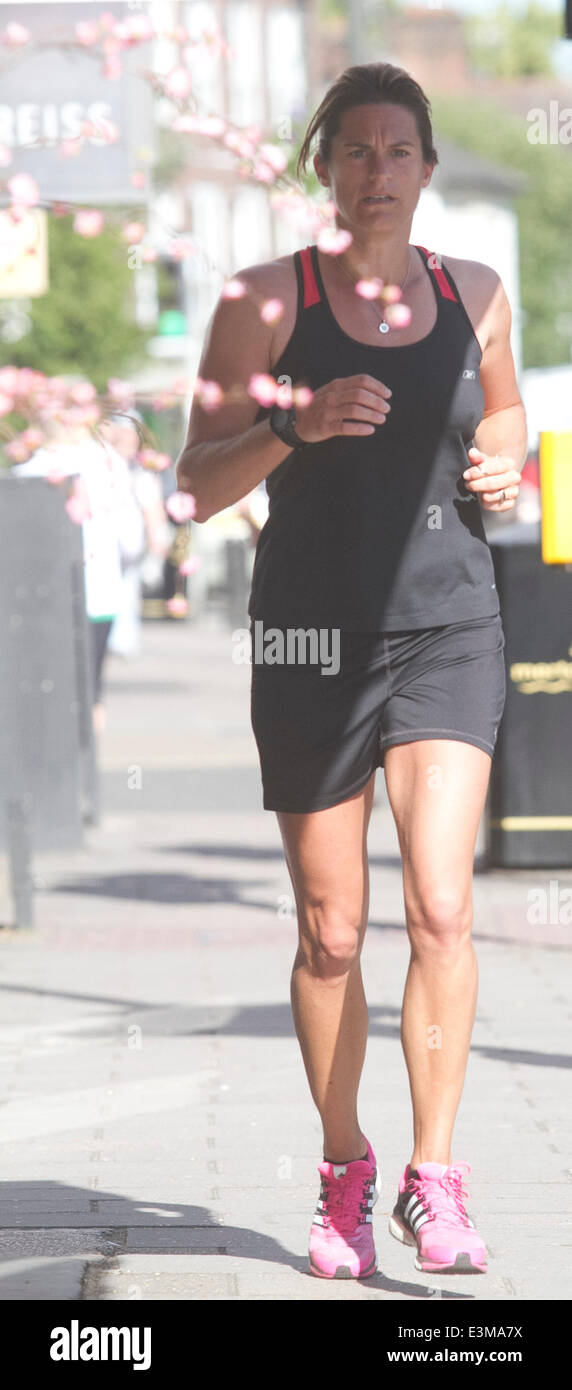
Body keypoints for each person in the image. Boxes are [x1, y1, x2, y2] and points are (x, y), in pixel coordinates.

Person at [176, 62, 527, 1280]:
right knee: (332, 929)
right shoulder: (262, 301)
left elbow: (502, 421)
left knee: (441, 904)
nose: (376, 171)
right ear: (322, 169)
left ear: (427, 169)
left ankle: (436, 1178)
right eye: (354, 150)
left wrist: (503, 464)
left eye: (398, 150)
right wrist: (291, 424)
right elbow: (191, 483)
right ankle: (342, 1169)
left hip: (447, 623)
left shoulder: (474, 292)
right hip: (309, 637)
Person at [11, 414, 132, 735]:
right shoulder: (110, 463)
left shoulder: (30, 469)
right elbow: (131, 538)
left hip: (44, 594)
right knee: (91, 686)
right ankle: (86, 759)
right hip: (100, 589)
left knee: (48, 682)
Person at [96, 412, 171, 657]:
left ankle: (122, 641)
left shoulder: (141, 471)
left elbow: (152, 510)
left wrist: (156, 544)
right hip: (104, 546)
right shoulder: (103, 463)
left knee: (127, 594)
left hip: (129, 547)